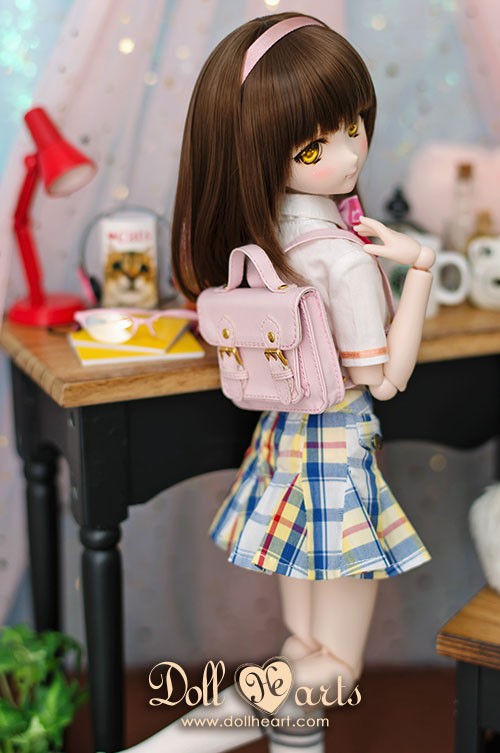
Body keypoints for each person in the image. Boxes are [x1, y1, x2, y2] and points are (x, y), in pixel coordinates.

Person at [124, 12, 435, 753]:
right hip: (336, 457)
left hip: (282, 448)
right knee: (333, 665)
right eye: (316, 146)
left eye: (355, 126)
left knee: (303, 645)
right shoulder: (345, 258)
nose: (351, 153)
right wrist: (420, 268)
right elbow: (386, 381)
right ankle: (167, 748)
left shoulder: (262, 233)